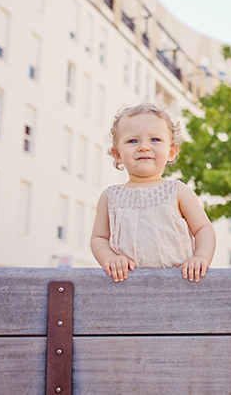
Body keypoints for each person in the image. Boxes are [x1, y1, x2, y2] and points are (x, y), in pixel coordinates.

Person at [91, 103, 216, 283]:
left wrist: (201, 257)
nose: (144, 147)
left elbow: (203, 228)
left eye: (155, 140)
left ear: (172, 152)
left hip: (179, 283)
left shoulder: (177, 191)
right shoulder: (110, 197)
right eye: (133, 141)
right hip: (128, 286)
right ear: (117, 154)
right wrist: (109, 258)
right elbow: (99, 238)